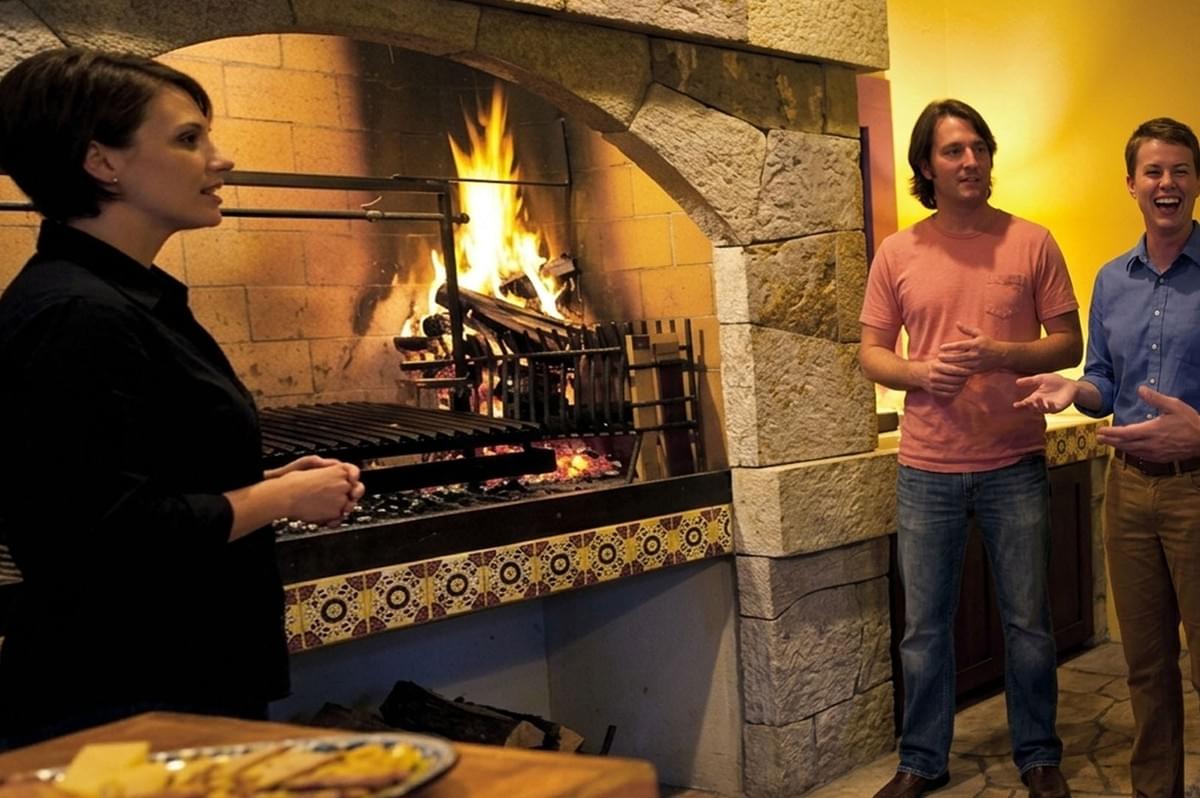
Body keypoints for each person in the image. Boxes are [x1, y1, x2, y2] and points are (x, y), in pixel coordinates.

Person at [0, 48, 366, 747]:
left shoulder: (121, 297)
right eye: (189, 138)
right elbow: (104, 537)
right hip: (122, 698)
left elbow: (128, 480)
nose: (221, 159)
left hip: (173, 680)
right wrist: (281, 501)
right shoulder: (76, 313)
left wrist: (257, 484)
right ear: (102, 163)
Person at [859, 98, 1082, 798]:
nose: (971, 162)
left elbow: (1068, 342)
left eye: (979, 147)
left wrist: (1002, 353)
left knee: (1028, 623)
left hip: (1015, 462)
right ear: (926, 164)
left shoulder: (1032, 240)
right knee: (924, 631)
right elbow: (870, 354)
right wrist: (920, 373)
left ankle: (1038, 754)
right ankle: (922, 759)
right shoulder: (898, 251)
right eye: (954, 151)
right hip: (926, 468)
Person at [1016, 117, 1200, 798]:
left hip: (1197, 489)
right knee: (1146, 664)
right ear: (1131, 184)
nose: (1167, 183)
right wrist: (1073, 389)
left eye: (1180, 170)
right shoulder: (1110, 280)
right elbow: (1103, 384)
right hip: (1127, 494)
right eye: (1153, 171)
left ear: (1197, 182)